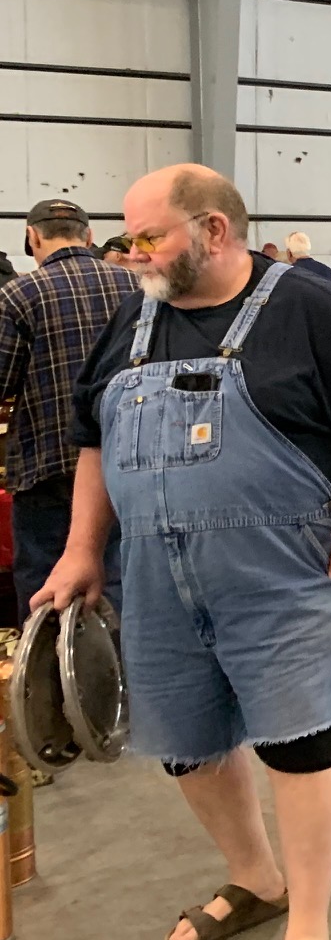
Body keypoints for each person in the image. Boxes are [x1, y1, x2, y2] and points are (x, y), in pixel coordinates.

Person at [41, 164, 331, 940]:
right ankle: (256, 879)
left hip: (284, 574)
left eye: (150, 237)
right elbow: (93, 438)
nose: (132, 254)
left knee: (296, 741)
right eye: (128, 237)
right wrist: (81, 550)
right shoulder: (133, 318)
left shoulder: (309, 308)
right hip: (155, 575)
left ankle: (309, 928)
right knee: (184, 740)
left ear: (214, 231)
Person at [0, 198, 135, 626]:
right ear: (90, 236)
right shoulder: (135, 288)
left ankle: (49, 666)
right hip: (127, 460)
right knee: (121, 577)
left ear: (32, 237)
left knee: (43, 584)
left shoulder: (18, 294)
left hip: (48, 465)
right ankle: (119, 664)